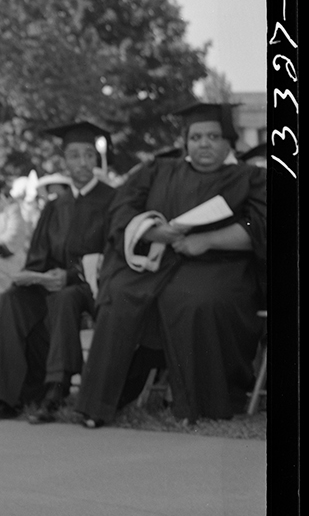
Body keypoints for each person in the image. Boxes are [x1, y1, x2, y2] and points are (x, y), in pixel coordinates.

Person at [73, 103, 267, 426]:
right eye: (196, 136)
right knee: (120, 294)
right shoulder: (159, 170)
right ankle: (100, 402)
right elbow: (121, 209)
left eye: (213, 136)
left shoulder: (250, 178)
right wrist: (152, 230)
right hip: (158, 260)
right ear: (186, 141)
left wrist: (207, 240)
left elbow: (261, 226)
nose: (203, 143)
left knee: (194, 300)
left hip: (221, 266)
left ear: (228, 142)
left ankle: (201, 402)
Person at [0, 121, 117, 424]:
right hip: (53, 281)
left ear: (95, 159)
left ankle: (57, 389)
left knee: (64, 297)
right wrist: (32, 276)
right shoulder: (56, 206)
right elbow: (38, 255)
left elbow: (112, 253)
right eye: (75, 156)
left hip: (91, 284)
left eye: (88, 156)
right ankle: (9, 397)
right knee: (13, 299)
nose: (82, 162)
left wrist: (68, 276)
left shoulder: (111, 199)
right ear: (64, 160)